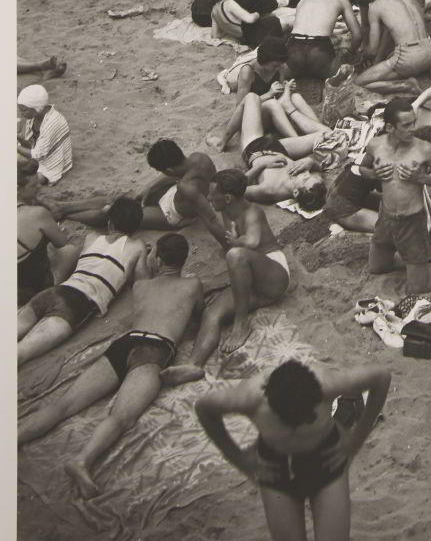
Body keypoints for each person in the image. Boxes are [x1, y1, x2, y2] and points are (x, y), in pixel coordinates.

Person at [18, 233, 204, 497]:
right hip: (155, 348)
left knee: (63, 405)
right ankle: (82, 460)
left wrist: (145, 257)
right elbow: (198, 314)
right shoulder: (193, 285)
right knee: (120, 417)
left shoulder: (141, 287)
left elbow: (142, 273)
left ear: (158, 258)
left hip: (123, 344)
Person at [194, 358, 391, 541]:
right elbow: (204, 408)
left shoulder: (326, 382)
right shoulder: (250, 397)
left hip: (326, 461)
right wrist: (239, 459)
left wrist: (356, 440)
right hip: (277, 470)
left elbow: (381, 377)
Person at [169, 168, 291, 373]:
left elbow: (252, 241)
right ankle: (194, 365)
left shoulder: (253, 212)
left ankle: (241, 324)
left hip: (273, 275)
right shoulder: (226, 211)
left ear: (227, 198)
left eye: (212, 194)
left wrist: (236, 241)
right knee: (211, 312)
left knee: (235, 255)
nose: (208, 197)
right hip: (251, 277)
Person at [18, 196, 148, 367]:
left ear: (109, 222)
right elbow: (142, 282)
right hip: (75, 305)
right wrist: (146, 256)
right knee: (19, 354)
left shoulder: (92, 238)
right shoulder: (137, 246)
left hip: (53, 292)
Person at [359, 99, 431, 294]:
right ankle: (424, 257)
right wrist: (373, 174)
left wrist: (421, 178)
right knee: (377, 267)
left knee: (417, 288)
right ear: (390, 127)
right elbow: (362, 168)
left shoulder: (425, 149)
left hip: (412, 222)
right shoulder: (375, 145)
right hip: (386, 218)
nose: (412, 129)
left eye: (414, 122)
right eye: (406, 125)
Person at [351, 0, 431, 94]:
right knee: (394, 56)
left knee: (358, 81)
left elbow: (372, 50)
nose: (370, 1)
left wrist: (363, 56)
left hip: (409, 58)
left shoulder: (376, 5)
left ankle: (404, 85)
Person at [17, 158, 79, 307]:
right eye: (34, 185)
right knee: (70, 251)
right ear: (17, 188)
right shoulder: (37, 214)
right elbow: (62, 243)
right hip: (32, 290)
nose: (39, 187)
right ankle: (53, 288)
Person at [287, 0, 361, 81]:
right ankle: (332, 74)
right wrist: (350, 52)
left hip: (294, 54)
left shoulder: (304, 0)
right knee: (345, 56)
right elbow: (357, 35)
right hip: (318, 53)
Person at [17, 83, 72, 185]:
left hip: (52, 162)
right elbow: (32, 145)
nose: (21, 114)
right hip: (42, 155)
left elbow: (38, 154)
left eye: (24, 110)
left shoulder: (51, 123)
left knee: (31, 180)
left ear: (36, 108)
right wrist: (18, 138)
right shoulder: (34, 117)